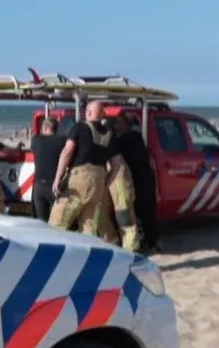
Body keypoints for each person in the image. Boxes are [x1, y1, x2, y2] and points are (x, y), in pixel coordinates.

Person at [49, 99, 122, 243]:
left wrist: (58, 178)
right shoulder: (109, 134)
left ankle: (51, 255)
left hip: (80, 178)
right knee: (89, 225)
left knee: (59, 220)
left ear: (88, 113)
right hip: (99, 180)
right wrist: (106, 182)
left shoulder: (79, 128)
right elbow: (117, 164)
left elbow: (67, 152)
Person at [111, 113, 157, 252]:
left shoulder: (124, 139)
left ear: (126, 124)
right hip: (144, 178)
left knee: (135, 213)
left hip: (136, 179)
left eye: (119, 123)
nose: (116, 126)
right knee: (146, 212)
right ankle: (153, 241)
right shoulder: (137, 137)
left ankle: (144, 242)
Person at [29, 115, 65, 223]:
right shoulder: (62, 140)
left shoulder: (35, 140)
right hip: (55, 184)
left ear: (45, 128)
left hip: (39, 185)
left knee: (41, 221)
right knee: (58, 220)